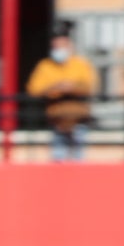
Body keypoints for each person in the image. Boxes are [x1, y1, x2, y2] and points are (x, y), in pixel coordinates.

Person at [26, 23, 97, 162]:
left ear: (69, 45)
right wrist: (55, 87)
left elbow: (89, 86)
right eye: (55, 46)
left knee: (78, 159)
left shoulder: (81, 64)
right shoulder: (45, 66)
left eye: (62, 45)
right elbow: (33, 89)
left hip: (78, 120)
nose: (59, 49)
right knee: (58, 159)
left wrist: (72, 87)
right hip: (56, 120)